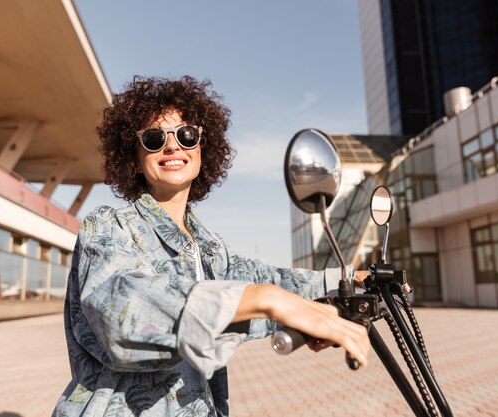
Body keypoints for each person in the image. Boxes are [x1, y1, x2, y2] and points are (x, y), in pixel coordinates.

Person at [52, 76, 371, 417]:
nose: (173, 147)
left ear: (203, 147)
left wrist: (350, 280)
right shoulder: (107, 228)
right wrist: (266, 300)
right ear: (133, 157)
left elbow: (268, 278)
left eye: (186, 135)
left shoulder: (207, 248)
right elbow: (119, 307)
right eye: (154, 138)